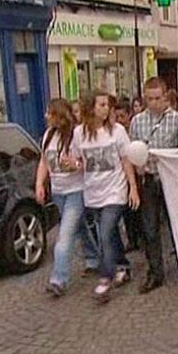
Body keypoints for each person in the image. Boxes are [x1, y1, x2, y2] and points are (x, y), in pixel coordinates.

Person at [71, 90, 140, 302]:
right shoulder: (79, 133)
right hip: (93, 192)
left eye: (107, 105)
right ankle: (123, 265)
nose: (106, 108)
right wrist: (72, 165)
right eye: (101, 104)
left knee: (106, 231)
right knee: (110, 234)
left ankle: (105, 278)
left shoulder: (118, 131)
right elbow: (78, 161)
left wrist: (132, 187)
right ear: (90, 107)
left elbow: (126, 159)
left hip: (115, 191)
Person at [130, 77, 178, 293]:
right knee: (150, 228)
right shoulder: (137, 122)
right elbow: (132, 150)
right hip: (150, 180)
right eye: (150, 99)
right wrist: (137, 167)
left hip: (172, 181)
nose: (154, 103)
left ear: (166, 97)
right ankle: (155, 272)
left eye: (158, 98)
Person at [35, 99, 86, 296]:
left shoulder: (76, 135)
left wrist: (75, 164)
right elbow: (43, 161)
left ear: (59, 115)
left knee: (64, 236)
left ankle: (58, 279)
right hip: (58, 192)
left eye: (50, 113)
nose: (46, 116)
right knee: (78, 227)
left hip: (76, 190)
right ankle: (93, 257)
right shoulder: (48, 135)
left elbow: (88, 160)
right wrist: (40, 183)